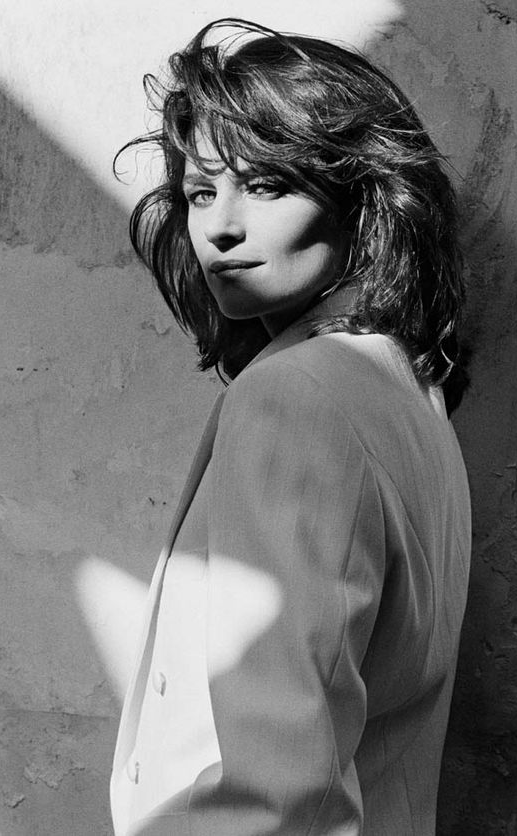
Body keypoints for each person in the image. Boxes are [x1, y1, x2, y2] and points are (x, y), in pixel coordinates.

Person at [111, 17, 471, 836]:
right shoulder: (408, 390)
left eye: (268, 185)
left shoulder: (298, 398)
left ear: (364, 200)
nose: (221, 227)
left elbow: (278, 791)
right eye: (202, 192)